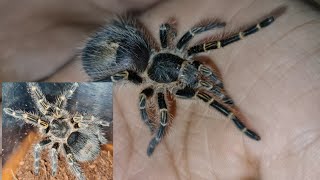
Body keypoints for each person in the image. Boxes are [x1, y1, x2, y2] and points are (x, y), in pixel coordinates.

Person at [1, 0, 319, 179]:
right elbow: (154, 110)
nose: (193, 71)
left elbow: (189, 33)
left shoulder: (178, 53)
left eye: (189, 67)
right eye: (189, 68)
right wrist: (157, 133)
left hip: (124, 43)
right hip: (113, 53)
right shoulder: (156, 87)